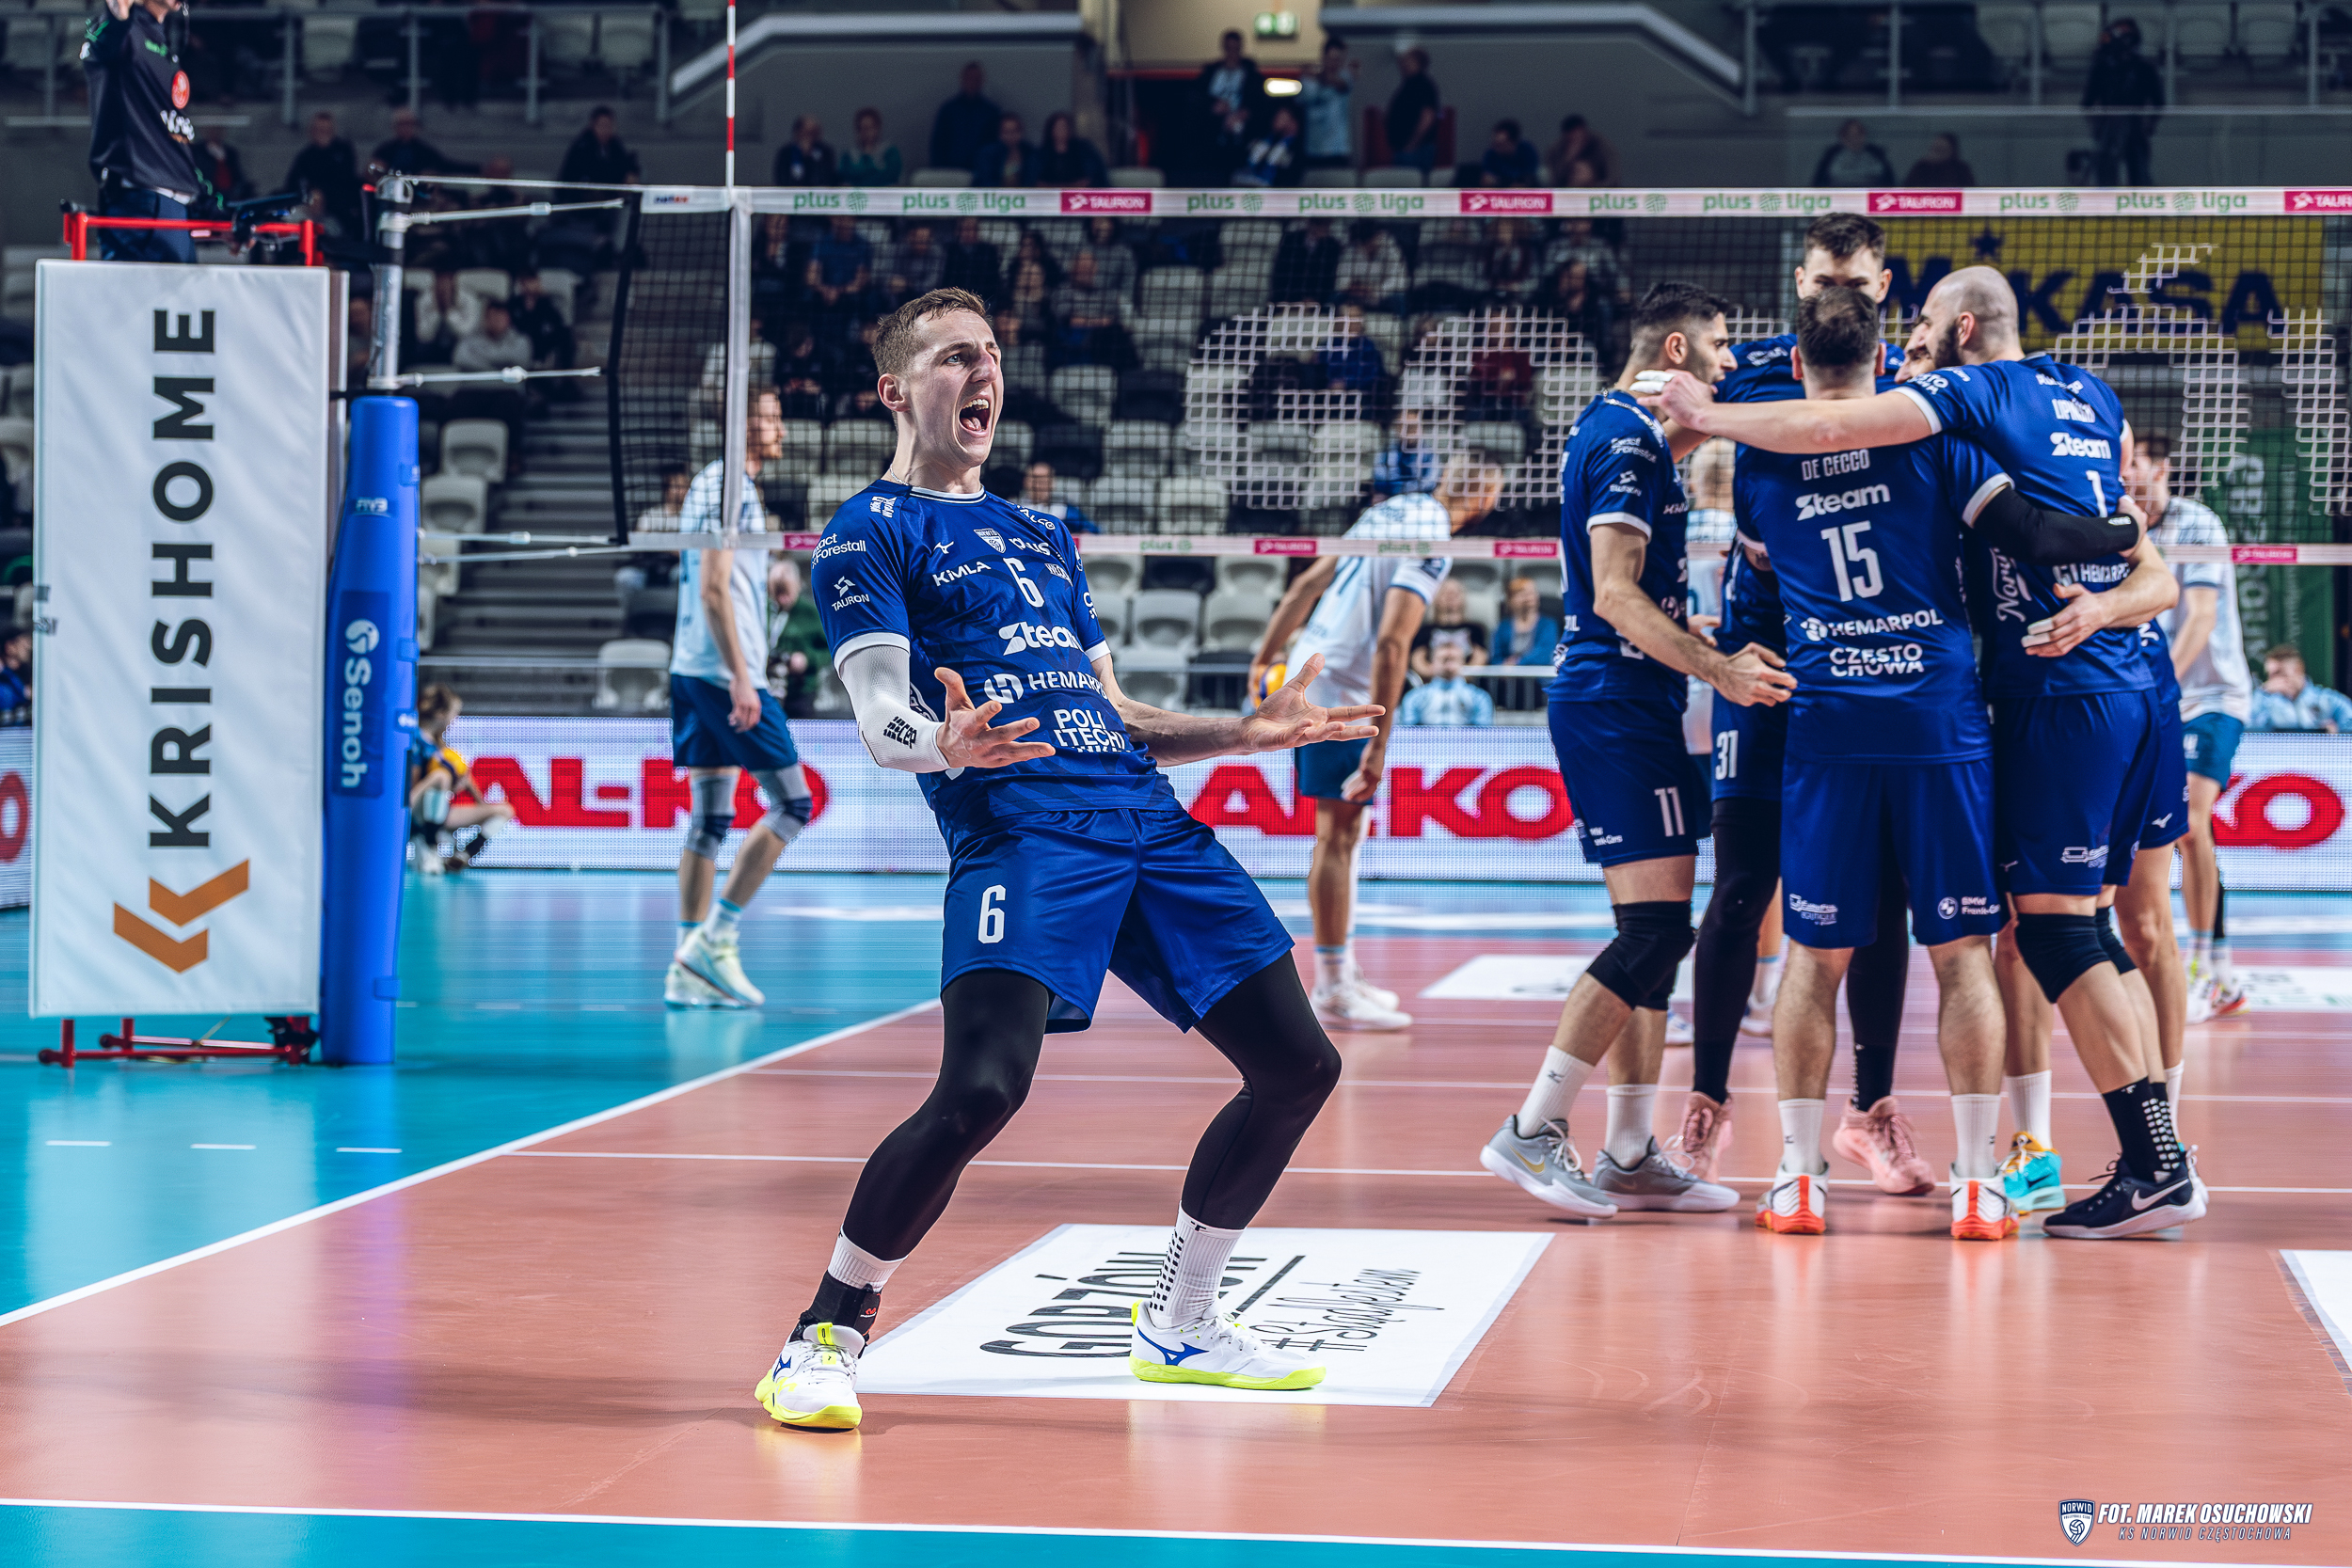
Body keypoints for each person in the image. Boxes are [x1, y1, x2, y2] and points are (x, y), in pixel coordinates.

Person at [758, 286, 1376, 1432]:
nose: (982, 372)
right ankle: (824, 1333)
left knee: (1299, 1067)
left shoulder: (1043, 533)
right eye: (954, 356)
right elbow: (882, 716)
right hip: (1024, 830)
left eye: (990, 353)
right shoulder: (869, 530)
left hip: (1144, 819)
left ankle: (1182, 1323)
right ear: (897, 389)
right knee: (981, 1090)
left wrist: (1246, 732)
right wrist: (942, 741)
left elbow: (1115, 711)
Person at [1647, 266, 2203, 1242]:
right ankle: (2000, 1173)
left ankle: (1799, 1173)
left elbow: (1816, 447)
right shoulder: (2007, 424)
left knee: (1833, 951)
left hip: (1869, 720)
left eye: (1927, 335)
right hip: (2005, 713)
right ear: (1877, 352)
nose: (1915, 351)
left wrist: (1709, 418)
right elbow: (2059, 536)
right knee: (2015, 943)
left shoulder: (1786, 466)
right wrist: (2120, 542)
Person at [1482, 283, 1788, 1223]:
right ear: (1675, 349)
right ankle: (1532, 1126)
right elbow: (1615, 595)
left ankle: (1626, 1150)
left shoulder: (1635, 433)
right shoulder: (1623, 439)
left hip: (1636, 698)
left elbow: (1678, 451)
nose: (1729, 360)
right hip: (1613, 700)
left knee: (1659, 929)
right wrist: (1719, 667)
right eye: (1721, 344)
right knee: (1653, 932)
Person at [1677, 214, 1923, 1193]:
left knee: (1882, 899)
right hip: (1764, 655)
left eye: (1855, 284)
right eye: (1825, 281)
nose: (1839, 297)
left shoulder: (1910, 380)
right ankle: (1705, 1103)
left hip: (1870, 662)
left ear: (1883, 287)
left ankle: (1871, 1112)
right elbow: (1657, 450)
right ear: (1799, 280)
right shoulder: (1745, 376)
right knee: (1742, 885)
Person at [1251, 462, 1501, 1033]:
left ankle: (1342, 969)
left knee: (1345, 834)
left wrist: (1266, 657)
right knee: (1337, 836)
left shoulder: (1387, 510)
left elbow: (1306, 585)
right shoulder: (1431, 538)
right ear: (1485, 499)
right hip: (1341, 690)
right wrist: (1379, 746)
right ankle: (1333, 985)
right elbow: (1392, 643)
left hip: (1313, 668)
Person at [664, 388, 813, 1010]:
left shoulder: (723, 485)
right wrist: (743, 677)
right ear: (742, 423)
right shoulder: (728, 486)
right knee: (795, 804)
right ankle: (716, 938)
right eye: (771, 418)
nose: (781, 429)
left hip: (692, 667)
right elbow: (713, 588)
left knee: (709, 820)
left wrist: (771, 574)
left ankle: (685, 965)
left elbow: (729, 580)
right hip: (723, 674)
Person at [2131, 435, 2252, 1026]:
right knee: (2157, 833)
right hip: (2150, 697)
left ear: (2162, 469)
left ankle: (2206, 965)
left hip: (2209, 696)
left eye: (2135, 464)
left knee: (2192, 823)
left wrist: (2162, 689)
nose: (2125, 475)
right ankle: (2219, 971)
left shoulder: (2197, 523)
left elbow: (2200, 617)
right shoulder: (2118, 526)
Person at [83, 0, 210, 263]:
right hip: (141, 200)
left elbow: (175, 140)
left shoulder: (162, 42)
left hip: (176, 205)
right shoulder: (122, 29)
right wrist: (118, 17)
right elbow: (103, 45)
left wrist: (212, 208)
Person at [406, 685, 516, 874]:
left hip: (441, 812)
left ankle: (462, 856)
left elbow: (464, 775)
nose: (455, 720)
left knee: (505, 810)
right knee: (441, 776)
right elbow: (414, 779)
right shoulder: (415, 739)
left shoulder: (441, 746)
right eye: (453, 714)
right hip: (416, 810)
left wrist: (478, 803)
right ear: (440, 714)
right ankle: (430, 845)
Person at [2084, 18, 2162, 187]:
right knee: (2106, 174)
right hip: (2108, 129)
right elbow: (2087, 103)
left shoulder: (2144, 69)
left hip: (2136, 128)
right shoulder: (2101, 68)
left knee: (2139, 174)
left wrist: (2149, 123)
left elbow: (2159, 102)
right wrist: (2097, 125)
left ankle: (2141, 200)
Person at [766, 558, 831, 718]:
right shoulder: (765, 610)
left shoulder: (810, 612)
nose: (782, 600)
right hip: (767, 687)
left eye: (786, 593)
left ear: (797, 586)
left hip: (800, 691)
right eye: (778, 594)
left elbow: (830, 650)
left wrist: (807, 660)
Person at [283, 111, 362, 241]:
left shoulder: (344, 152)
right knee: (290, 221)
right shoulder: (305, 156)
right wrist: (310, 195)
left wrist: (323, 195)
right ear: (311, 132)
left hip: (336, 213)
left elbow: (346, 184)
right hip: (308, 210)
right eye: (319, 130)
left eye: (327, 130)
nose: (323, 134)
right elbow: (292, 184)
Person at [1197, 30, 1263, 180]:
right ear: (1223, 48)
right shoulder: (1211, 73)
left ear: (1241, 49)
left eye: (1236, 49)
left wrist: (1246, 112)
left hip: (1242, 134)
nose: (1232, 53)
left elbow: (1259, 102)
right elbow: (1196, 97)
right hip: (1213, 131)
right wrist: (1213, 106)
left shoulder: (1250, 74)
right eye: (1229, 48)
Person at [2249, 643, 2352, 732]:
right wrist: (2262, 692)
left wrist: (2337, 732)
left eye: (2278, 673)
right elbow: (2249, 729)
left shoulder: (2327, 700)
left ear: (2298, 669)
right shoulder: (2265, 703)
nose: (2273, 680)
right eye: (2270, 675)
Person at [1407, 578, 1487, 679]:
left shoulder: (1475, 630)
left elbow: (1481, 657)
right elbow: (1417, 659)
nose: (1451, 596)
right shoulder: (1424, 630)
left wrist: (1462, 673)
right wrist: (1435, 672)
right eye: (1445, 593)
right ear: (1436, 598)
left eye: (1455, 593)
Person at [1398, 642, 1495, 726]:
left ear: (1463, 662)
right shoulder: (1414, 697)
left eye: (1453, 659)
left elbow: (1483, 733)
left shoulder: (1480, 698)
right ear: (1432, 662)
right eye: (1444, 660)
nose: (1449, 665)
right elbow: (1408, 731)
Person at [930, 62, 1000, 175]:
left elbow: (995, 144)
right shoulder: (949, 109)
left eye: (976, 79)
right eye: (969, 78)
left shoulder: (991, 112)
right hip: (950, 169)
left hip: (980, 172)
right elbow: (939, 142)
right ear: (962, 79)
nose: (972, 82)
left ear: (982, 81)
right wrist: (938, 169)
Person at [1297, 38, 1357, 170]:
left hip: (1338, 151)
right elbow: (1305, 98)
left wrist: (1316, 76)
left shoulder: (1345, 77)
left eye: (1338, 59)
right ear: (1323, 57)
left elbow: (1341, 84)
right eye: (1331, 59)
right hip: (1314, 151)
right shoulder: (1309, 82)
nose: (1334, 63)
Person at [1383, 48, 1440, 173]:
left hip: (1415, 151)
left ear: (1418, 63)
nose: (1404, 64)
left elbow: (1427, 117)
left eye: (1408, 61)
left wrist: (1412, 144)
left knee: (1411, 182)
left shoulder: (1423, 85)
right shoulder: (1408, 85)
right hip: (1403, 149)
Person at [558, 105, 641, 188]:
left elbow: (624, 164)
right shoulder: (582, 146)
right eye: (602, 125)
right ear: (592, 125)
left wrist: (630, 174)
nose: (605, 130)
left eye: (608, 126)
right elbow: (589, 174)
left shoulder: (614, 144)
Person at [1334, 220, 1407, 313]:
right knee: (1336, 298)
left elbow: (1399, 282)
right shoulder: (1350, 251)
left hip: (1382, 295)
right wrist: (1358, 289)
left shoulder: (1391, 248)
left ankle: (1401, 322)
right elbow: (1341, 283)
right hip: (1357, 295)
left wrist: (1375, 291)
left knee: (1398, 299)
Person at [371, 108, 466, 178]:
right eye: (402, 124)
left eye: (409, 124)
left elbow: (444, 166)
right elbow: (373, 168)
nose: (406, 128)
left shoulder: (424, 151)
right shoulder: (384, 150)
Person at [1490, 576, 1559, 668]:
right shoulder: (1503, 627)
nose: (1528, 597)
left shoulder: (1548, 624)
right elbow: (1495, 658)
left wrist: (1516, 663)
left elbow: (1544, 655)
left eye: (1532, 593)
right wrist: (1504, 666)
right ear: (1510, 600)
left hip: (1538, 675)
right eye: (1522, 594)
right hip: (1507, 676)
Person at [1271, 217, 1342, 304]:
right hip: (1287, 299)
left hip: (1315, 302)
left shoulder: (1333, 246)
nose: (1323, 229)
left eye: (1326, 225)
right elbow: (1281, 271)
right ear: (1310, 224)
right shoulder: (1291, 239)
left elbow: (1329, 278)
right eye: (1319, 224)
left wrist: (1315, 299)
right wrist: (1287, 298)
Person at [1810, 119, 1895, 187]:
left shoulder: (1876, 154)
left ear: (1864, 136)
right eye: (1850, 135)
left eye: (1858, 135)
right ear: (1843, 137)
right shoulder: (1831, 156)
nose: (1854, 139)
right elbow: (1820, 181)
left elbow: (1888, 181)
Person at [1233, 106, 1305, 188]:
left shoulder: (1296, 150)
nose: (1276, 120)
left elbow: (1290, 179)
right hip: (1246, 182)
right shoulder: (1265, 141)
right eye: (1276, 117)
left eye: (1282, 118)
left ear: (1294, 123)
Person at [1037, 111, 1108, 187]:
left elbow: (1091, 178)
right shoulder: (1042, 155)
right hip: (1050, 193)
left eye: (1064, 127)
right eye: (1058, 127)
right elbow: (1037, 182)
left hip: (1080, 193)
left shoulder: (1084, 151)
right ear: (1051, 130)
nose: (1061, 131)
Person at [1021, 460, 1095, 532]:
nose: (1038, 484)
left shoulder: (1064, 509)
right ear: (1025, 481)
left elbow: (1091, 529)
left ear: (1052, 482)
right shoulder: (1016, 507)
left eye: (1043, 480)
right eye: (1034, 479)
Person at [1545, 114, 1617, 187]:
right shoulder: (1556, 150)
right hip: (1567, 191)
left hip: (1599, 191)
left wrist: (1593, 184)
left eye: (1578, 137)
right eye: (1572, 139)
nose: (1576, 142)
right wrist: (1569, 159)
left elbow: (1613, 179)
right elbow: (1552, 181)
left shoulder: (1603, 147)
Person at [940, 216, 1001, 302]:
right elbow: (946, 279)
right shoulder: (951, 250)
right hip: (956, 298)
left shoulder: (989, 251)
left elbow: (993, 280)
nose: (969, 233)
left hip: (984, 298)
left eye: (973, 229)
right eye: (966, 229)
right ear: (958, 231)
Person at [839, 108, 903, 186]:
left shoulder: (890, 152)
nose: (866, 132)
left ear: (877, 129)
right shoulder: (848, 155)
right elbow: (844, 177)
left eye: (869, 128)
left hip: (882, 192)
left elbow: (891, 176)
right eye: (862, 128)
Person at [773, 117, 836, 187]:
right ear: (798, 132)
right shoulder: (786, 153)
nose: (810, 137)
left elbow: (828, 177)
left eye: (814, 133)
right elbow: (781, 178)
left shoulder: (825, 152)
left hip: (818, 191)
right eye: (807, 133)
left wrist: (809, 157)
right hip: (792, 191)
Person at [1480, 119, 1540, 186]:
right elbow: (1488, 177)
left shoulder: (1527, 150)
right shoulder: (1490, 154)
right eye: (1495, 143)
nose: (1496, 147)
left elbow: (1530, 174)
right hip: (1500, 187)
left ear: (1513, 142)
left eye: (1501, 144)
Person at [1904, 131, 1977, 186]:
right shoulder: (1921, 168)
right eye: (1934, 149)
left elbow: (1969, 192)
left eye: (1941, 150)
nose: (1936, 154)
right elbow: (1908, 190)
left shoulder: (1960, 170)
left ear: (1951, 151)